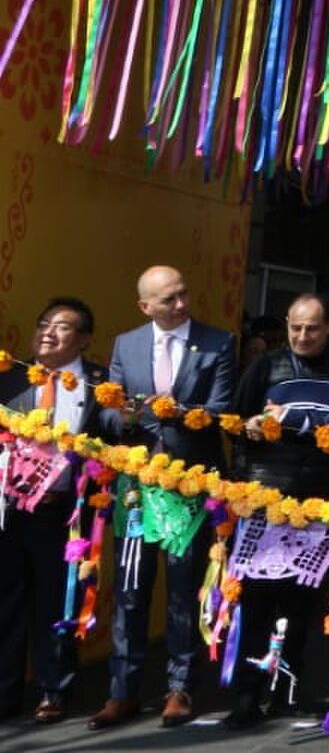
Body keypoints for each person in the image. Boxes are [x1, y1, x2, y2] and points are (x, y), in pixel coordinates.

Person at [91, 265, 238, 731]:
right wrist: (132, 418)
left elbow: (220, 411)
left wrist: (172, 414)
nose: (180, 305)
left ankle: (180, 687)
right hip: (137, 487)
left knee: (183, 591)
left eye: (183, 295)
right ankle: (123, 690)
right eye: (168, 299)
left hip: (188, 484)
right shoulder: (126, 344)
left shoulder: (218, 342)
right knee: (131, 590)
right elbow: (108, 414)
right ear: (145, 306)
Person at [223, 293, 329, 730]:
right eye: (296, 327)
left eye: (313, 328)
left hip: (320, 499)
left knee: (302, 601)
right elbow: (235, 421)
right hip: (265, 497)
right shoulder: (265, 367)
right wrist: (248, 429)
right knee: (256, 601)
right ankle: (247, 693)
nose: (303, 336)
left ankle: (289, 691)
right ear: (287, 324)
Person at [0, 298, 108, 724]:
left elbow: (116, 438)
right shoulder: (9, 377)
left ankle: (53, 690)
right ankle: (5, 693)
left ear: (83, 339)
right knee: (5, 603)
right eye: (43, 323)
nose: (47, 332)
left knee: (59, 604)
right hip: (10, 510)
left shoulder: (101, 386)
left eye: (61, 327)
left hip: (64, 513)